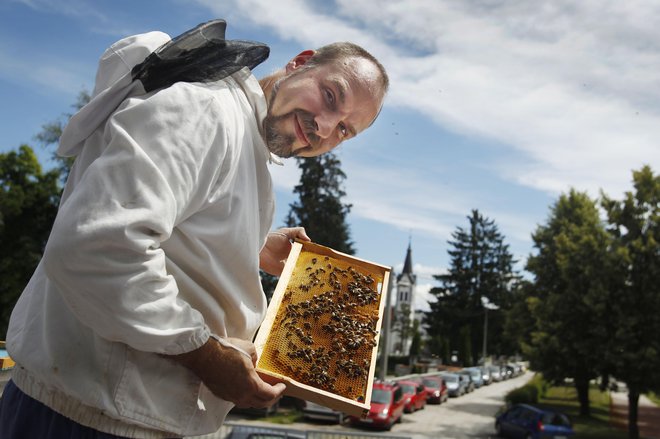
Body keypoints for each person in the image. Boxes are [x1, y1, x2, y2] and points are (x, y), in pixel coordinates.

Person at [0, 20, 388, 439]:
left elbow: (164, 228)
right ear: (300, 63)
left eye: (345, 130)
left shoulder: (244, 136)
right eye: (330, 97)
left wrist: (253, 246)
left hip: (118, 417)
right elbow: (96, 247)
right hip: (84, 421)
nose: (326, 128)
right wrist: (208, 357)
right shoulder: (205, 110)